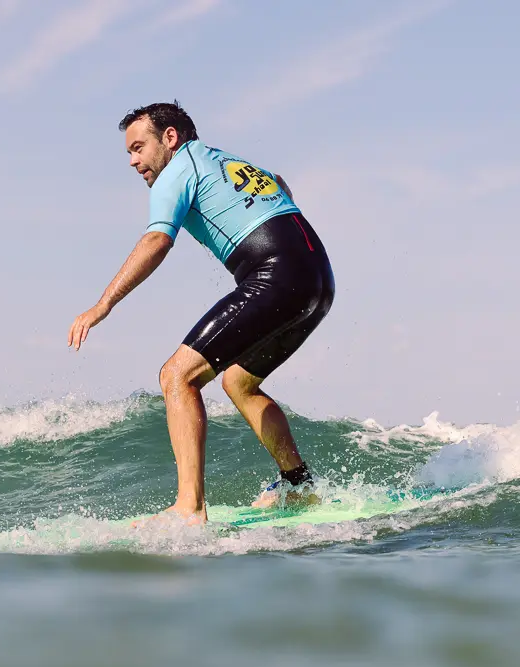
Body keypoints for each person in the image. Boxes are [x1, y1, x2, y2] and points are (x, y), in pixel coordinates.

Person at [67, 101, 335, 524]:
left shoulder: (176, 172)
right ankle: (298, 484)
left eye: (139, 148)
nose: (134, 161)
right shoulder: (226, 161)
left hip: (276, 275)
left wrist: (103, 305)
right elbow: (279, 184)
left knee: (177, 376)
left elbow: (157, 240)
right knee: (239, 382)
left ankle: (189, 507)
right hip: (317, 278)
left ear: (170, 138)